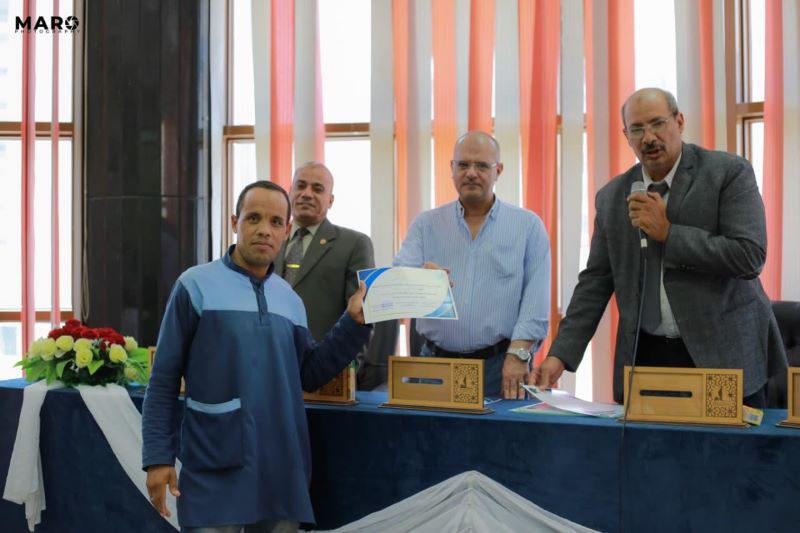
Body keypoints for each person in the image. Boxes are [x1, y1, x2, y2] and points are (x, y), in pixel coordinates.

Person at [533, 88, 787, 407]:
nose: (649, 138)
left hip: (722, 353)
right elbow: (595, 283)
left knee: (727, 442)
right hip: (648, 358)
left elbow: (749, 256)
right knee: (651, 442)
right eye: (637, 129)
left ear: (679, 122)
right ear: (626, 136)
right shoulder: (613, 197)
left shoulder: (727, 173)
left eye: (657, 123)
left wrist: (669, 234)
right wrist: (560, 355)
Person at [141, 180, 371, 532]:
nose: (265, 230)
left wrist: (353, 324)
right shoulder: (194, 285)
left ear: (286, 231)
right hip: (214, 465)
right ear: (235, 222)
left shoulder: (290, 299)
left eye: (276, 222)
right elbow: (163, 380)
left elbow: (310, 374)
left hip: (282, 469)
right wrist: (158, 457)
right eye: (254, 218)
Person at [393, 131, 551, 399]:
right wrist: (417, 278)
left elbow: (535, 302)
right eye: (463, 165)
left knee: (502, 428)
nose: (471, 173)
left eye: (482, 166)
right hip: (434, 364)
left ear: (498, 170)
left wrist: (518, 356)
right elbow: (396, 282)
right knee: (428, 428)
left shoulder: (527, 226)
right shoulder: (426, 224)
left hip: (501, 366)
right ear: (451, 169)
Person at [274, 162, 395, 390]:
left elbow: (361, 316)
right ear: (289, 192)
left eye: (317, 189)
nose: (307, 193)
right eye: (300, 186)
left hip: (324, 374)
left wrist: (347, 376)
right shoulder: (271, 240)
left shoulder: (354, 244)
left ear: (330, 200)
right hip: (269, 368)